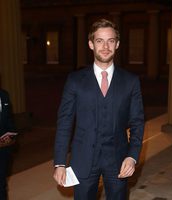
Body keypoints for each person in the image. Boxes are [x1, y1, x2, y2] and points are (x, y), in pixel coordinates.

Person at [53, 18, 144, 200]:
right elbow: (64, 123)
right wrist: (60, 162)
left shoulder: (130, 81)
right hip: (83, 159)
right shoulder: (75, 80)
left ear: (117, 44)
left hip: (118, 160)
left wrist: (132, 156)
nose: (105, 46)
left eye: (110, 41)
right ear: (91, 44)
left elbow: (137, 122)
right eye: (99, 41)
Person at [0, 89, 17, 200]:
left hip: (2, 150)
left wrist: (12, 135)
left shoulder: (4, 95)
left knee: (1, 184)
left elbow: (9, 119)